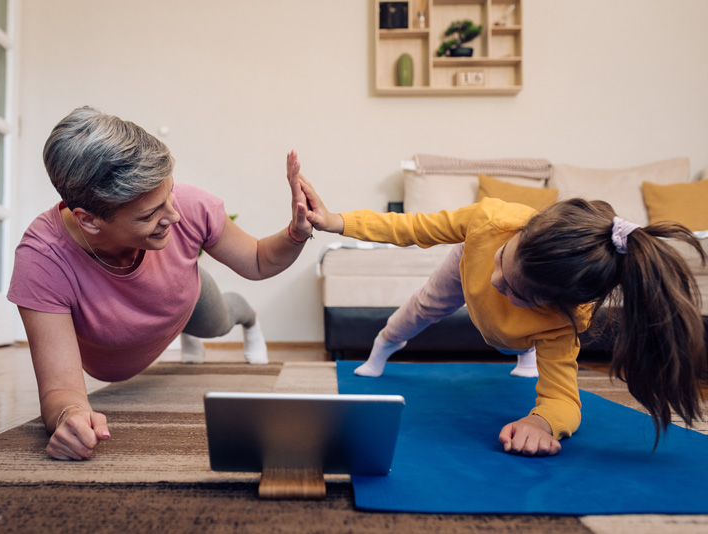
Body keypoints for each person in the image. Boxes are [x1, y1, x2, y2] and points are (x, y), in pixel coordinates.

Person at [300, 178, 706, 457]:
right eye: (504, 264)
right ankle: (383, 345)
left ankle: (525, 353)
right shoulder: (491, 221)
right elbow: (412, 227)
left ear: (556, 303)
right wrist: (337, 221)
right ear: (517, 236)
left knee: (517, 335)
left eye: (518, 293)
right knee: (424, 307)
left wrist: (542, 423)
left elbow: (563, 399)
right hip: (466, 263)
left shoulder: (562, 322)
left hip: (518, 330)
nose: (497, 284)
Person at [7, 106, 315, 460]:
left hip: (185, 299)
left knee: (219, 322)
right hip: (120, 351)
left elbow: (259, 259)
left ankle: (249, 318)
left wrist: (296, 232)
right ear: (89, 220)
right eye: (150, 213)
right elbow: (60, 390)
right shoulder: (42, 259)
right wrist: (71, 417)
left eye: (168, 195)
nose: (175, 215)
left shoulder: (189, 206)